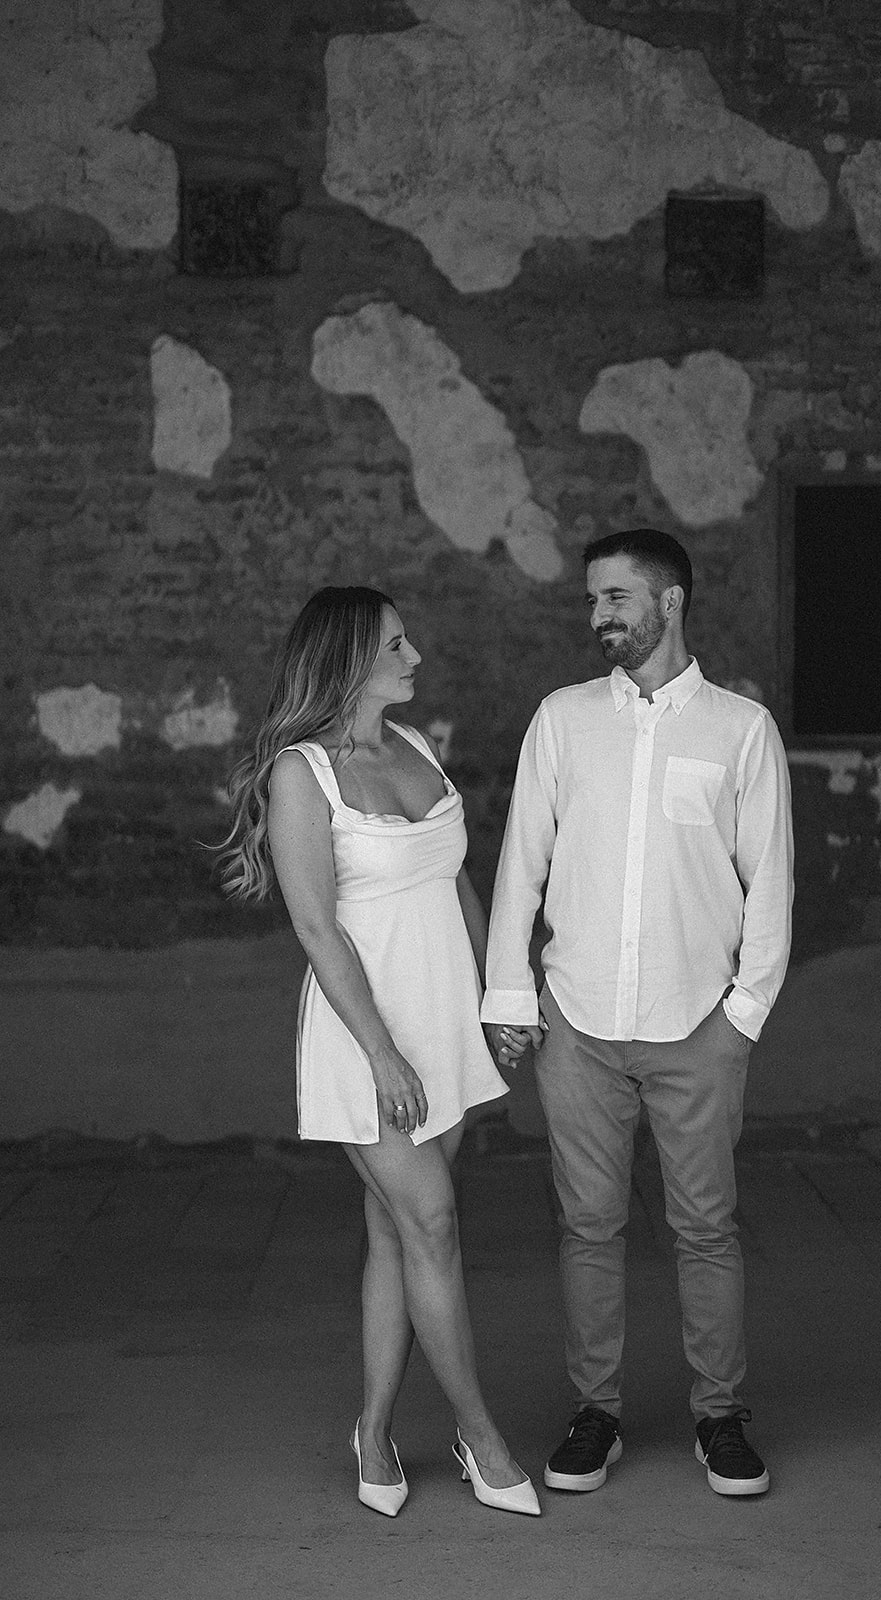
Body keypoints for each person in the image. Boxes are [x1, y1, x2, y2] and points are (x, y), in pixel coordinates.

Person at [482, 529, 793, 1499]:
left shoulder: (738, 728)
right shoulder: (561, 721)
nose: (596, 617)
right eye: (591, 601)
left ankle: (719, 1417)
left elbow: (770, 882)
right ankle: (595, 1413)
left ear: (669, 601)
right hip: (576, 1025)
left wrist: (741, 1014)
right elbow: (517, 866)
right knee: (586, 1226)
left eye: (614, 597)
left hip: (696, 1024)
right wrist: (507, 995)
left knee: (705, 1228)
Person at [218, 585, 540, 1518]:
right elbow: (318, 930)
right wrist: (386, 1058)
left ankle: (372, 1428)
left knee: (394, 1233)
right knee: (431, 1221)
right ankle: (479, 1435)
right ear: (351, 661)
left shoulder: (416, 749)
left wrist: (496, 999)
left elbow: (457, 886)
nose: (415, 657)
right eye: (397, 645)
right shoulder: (299, 774)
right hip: (367, 1039)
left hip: (443, 1020)